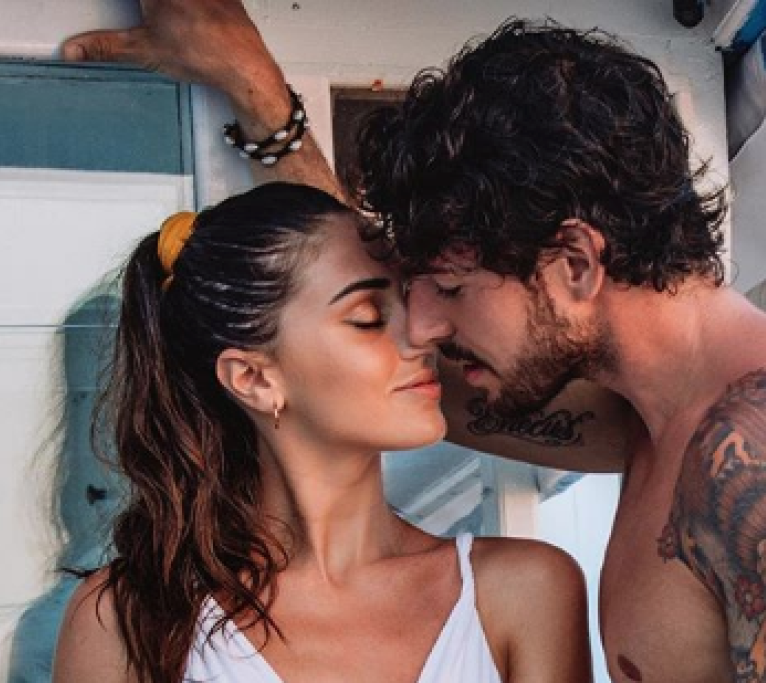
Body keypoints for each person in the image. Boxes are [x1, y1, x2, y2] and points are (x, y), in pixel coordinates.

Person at [64, 3, 766, 681]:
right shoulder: (652, 423)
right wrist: (264, 103)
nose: (425, 328)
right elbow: (345, 360)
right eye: (401, 302)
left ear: (574, 263)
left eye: (450, 290)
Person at [52, 182, 591, 683]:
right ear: (254, 379)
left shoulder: (525, 591)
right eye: (368, 317)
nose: (423, 334)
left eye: (409, 299)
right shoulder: (126, 620)